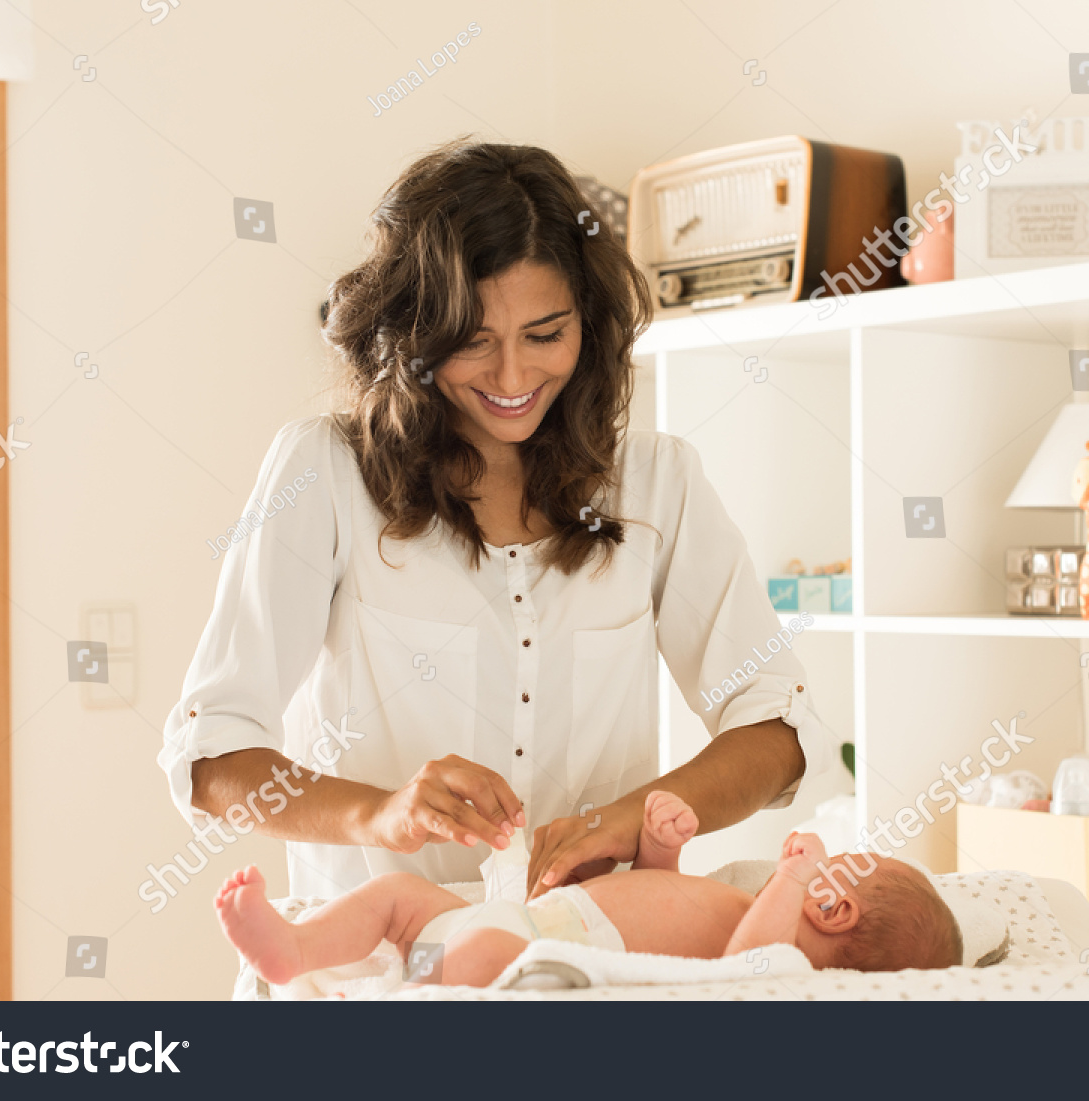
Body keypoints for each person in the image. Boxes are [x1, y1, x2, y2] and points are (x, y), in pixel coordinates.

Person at [158, 138, 836, 906]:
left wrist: (623, 821)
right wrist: (379, 814)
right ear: (412, 333)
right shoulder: (325, 473)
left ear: (591, 325)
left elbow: (781, 733)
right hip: (377, 972)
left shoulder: (657, 484)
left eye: (545, 335)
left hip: (586, 964)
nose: (513, 378)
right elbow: (213, 755)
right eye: (472, 342)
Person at [214, 791, 964, 987]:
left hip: (534, 945)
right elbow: (661, 909)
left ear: (833, 908)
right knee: (400, 897)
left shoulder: (777, 958)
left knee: (478, 958)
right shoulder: (738, 906)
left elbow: (742, 968)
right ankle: (298, 948)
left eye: (839, 868)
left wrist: (796, 872)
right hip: (515, 917)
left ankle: (406, 990)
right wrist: (660, 848)